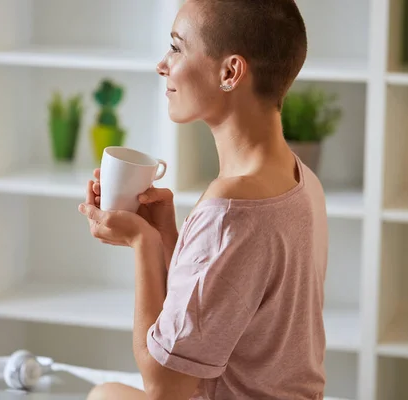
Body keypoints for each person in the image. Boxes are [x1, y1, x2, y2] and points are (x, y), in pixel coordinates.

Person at [78, 0, 328, 399]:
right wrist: (165, 236)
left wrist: (143, 245)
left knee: (105, 394)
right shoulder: (302, 177)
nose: (162, 65)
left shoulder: (230, 207)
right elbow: (224, 301)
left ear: (230, 72)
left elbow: (164, 386)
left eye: (176, 48)